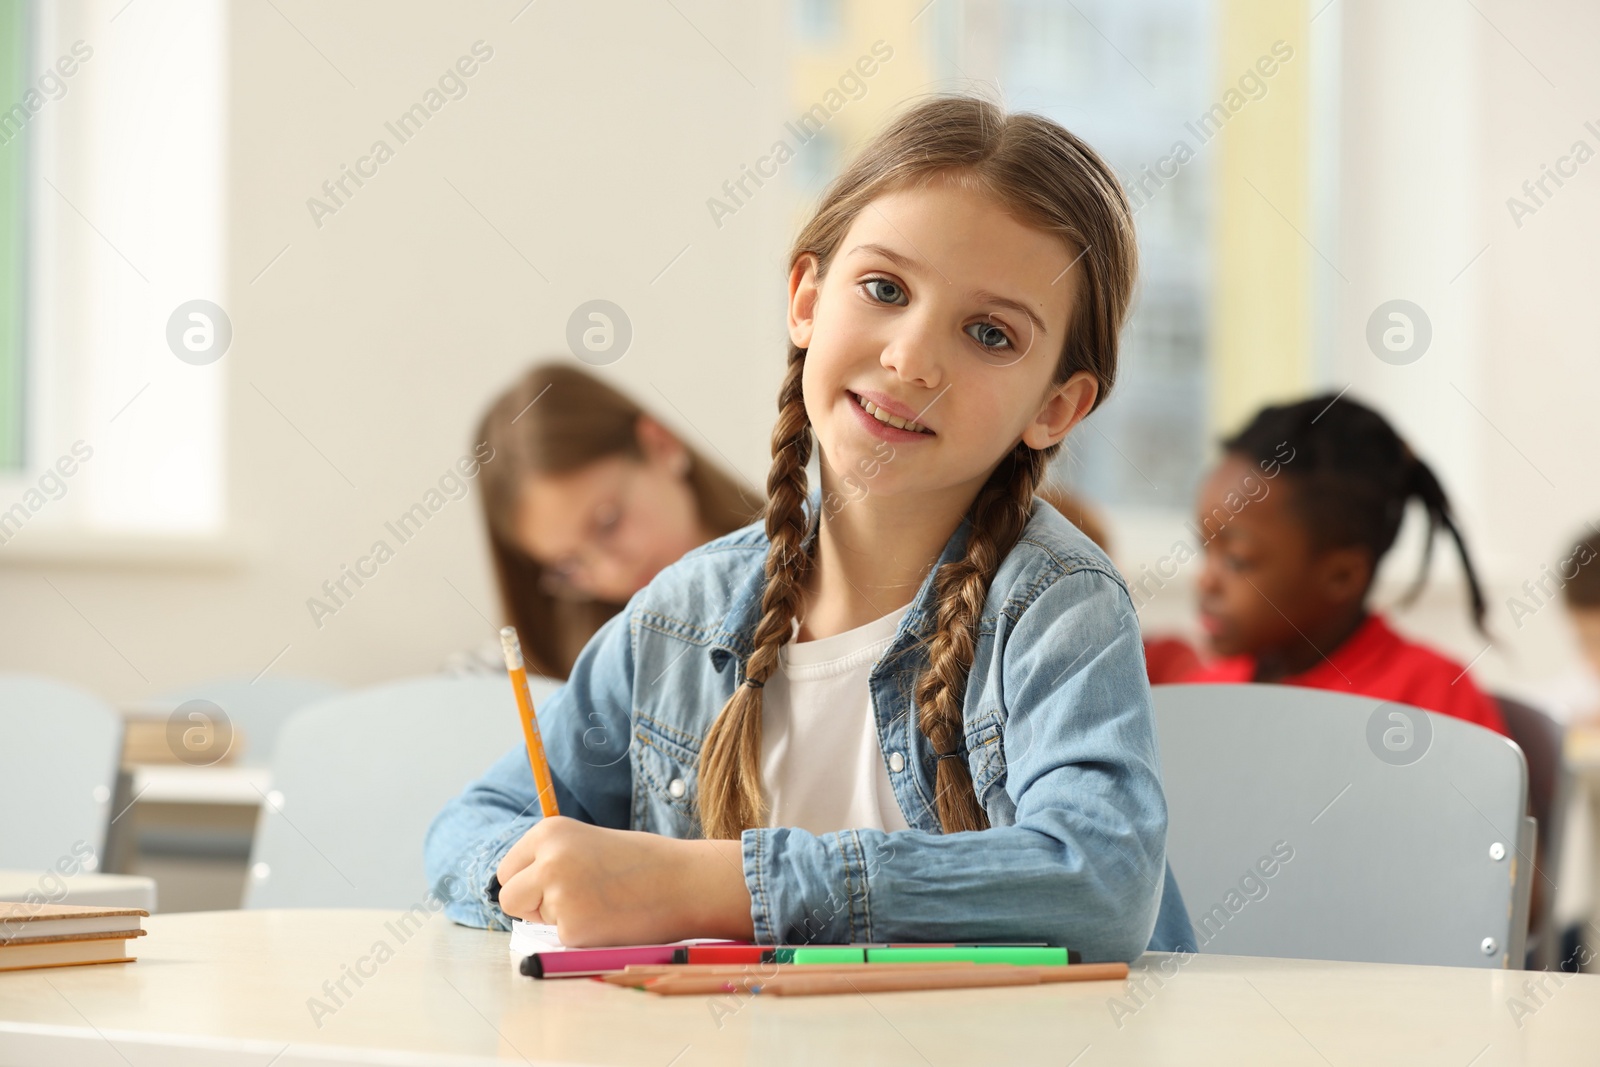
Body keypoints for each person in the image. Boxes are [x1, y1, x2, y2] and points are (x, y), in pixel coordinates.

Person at [426, 95, 1194, 961]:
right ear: (805, 298)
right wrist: (542, 877)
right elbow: (468, 829)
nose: (911, 358)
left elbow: (1099, 886)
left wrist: (707, 887)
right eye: (885, 288)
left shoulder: (1058, 609)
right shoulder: (677, 617)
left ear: (1057, 406)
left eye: (990, 333)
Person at [1183, 394, 1507, 736]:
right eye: (1204, 549)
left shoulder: (1435, 701)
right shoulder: (1205, 694)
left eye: (1236, 560)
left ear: (1341, 576)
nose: (1205, 582)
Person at [466, 363, 759, 679]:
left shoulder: (807, 573)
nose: (611, 571)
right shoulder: (549, 665)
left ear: (660, 445)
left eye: (608, 523)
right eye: (568, 565)